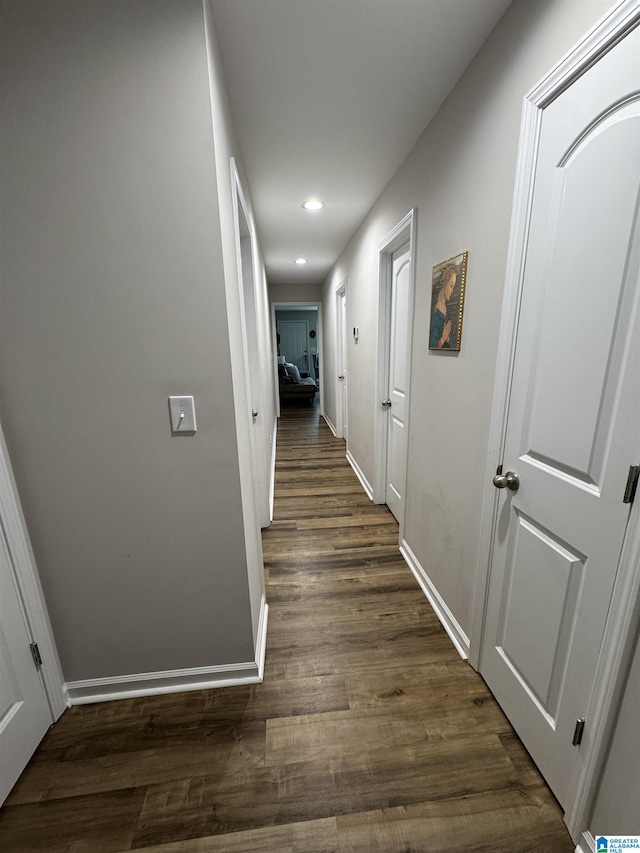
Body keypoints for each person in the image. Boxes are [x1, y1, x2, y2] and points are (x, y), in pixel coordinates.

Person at [429, 264, 456, 348]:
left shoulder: (449, 309)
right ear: (445, 284)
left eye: (453, 287)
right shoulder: (434, 311)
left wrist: (447, 338)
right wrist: (443, 338)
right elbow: (432, 344)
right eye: (451, 286)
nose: (452, 291)